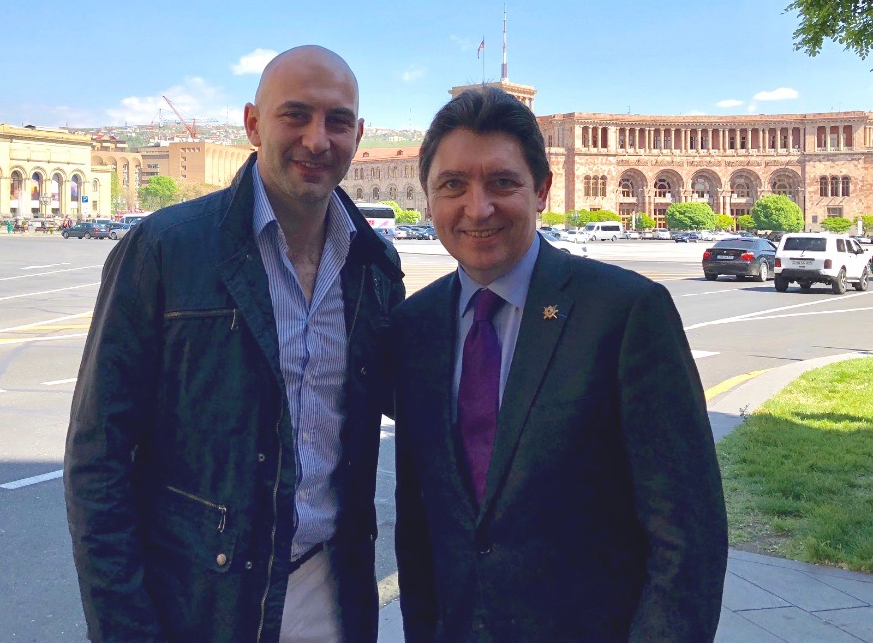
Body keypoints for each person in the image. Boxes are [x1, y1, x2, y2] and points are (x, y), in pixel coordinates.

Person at [64, 45, 404, 643]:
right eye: (294, 115)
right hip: (203, 602)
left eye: (337, 121)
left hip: (332, 595)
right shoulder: (165, 249)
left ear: (357, 134)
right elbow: (99, 457)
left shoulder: (373, 265)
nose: (317, 139)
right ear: (252, 124)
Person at [392, 88, 727, 641]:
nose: (477, 208)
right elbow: (419, 521)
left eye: (502, 182)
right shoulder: (413, 327)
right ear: (429, 198)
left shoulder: (624, 312)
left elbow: (687, 535)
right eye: (452, 185)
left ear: (542, 190)